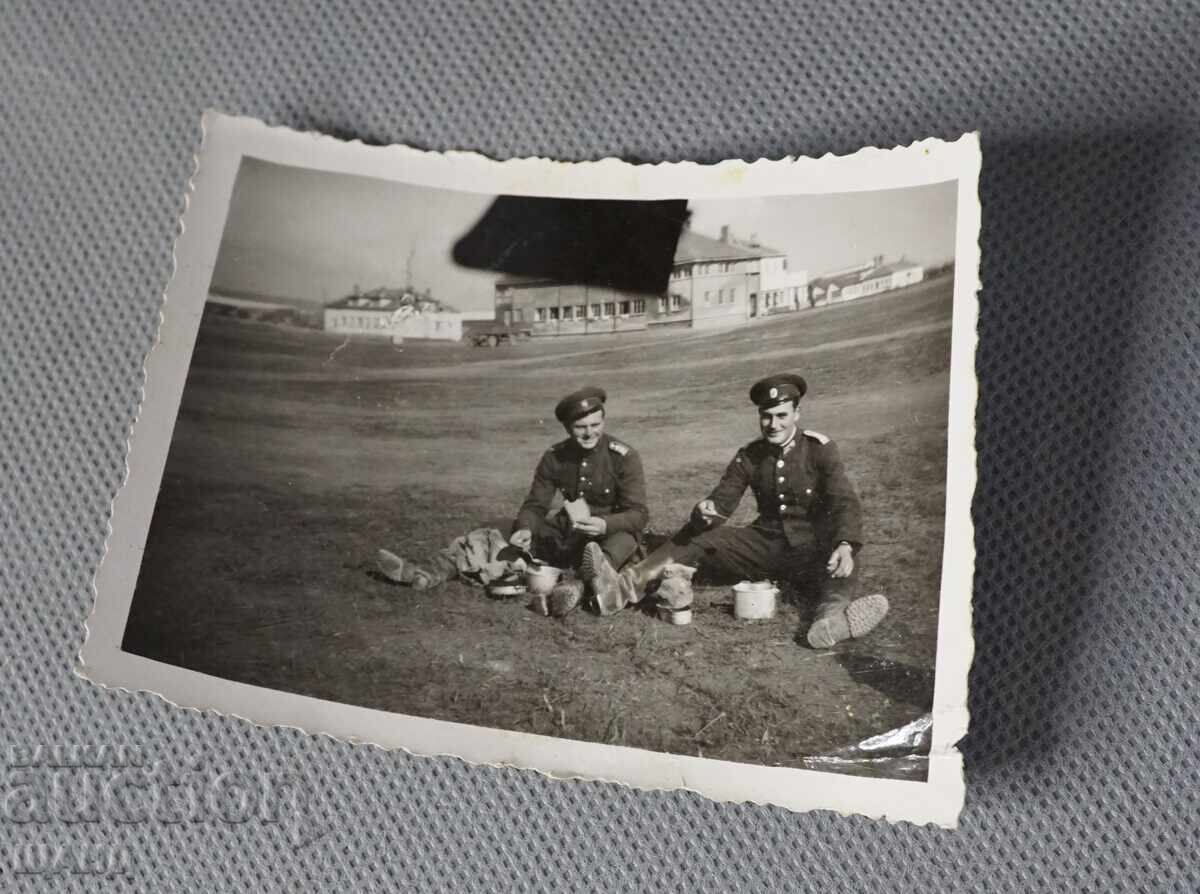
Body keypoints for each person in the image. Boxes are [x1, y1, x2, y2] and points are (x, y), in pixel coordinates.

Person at [583, 373, 888, 648]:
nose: (774, 424)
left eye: (782, 415)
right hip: (765, 546)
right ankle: (621, 589)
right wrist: (706, 510)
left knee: (845, 558)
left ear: (797, 413)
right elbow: (722, 501)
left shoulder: (819, 448)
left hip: (814, 547)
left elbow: (843, 500)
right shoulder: (750, 455)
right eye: (766, 417)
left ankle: (831, 621)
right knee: (701, 535)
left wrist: (845, 544)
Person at [510, 386, 648, 615]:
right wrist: (524, 529)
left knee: (615, 547)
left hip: (613, 531)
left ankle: (580, 585)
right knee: (512, 539)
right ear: (567, 428)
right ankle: (578, 582)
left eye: (596, 425)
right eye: (580, 427)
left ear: (604, 421)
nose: (589, 433)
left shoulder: (624, 457)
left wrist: (605, 524)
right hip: (570, 530)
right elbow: (536, 505)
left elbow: (638, 514)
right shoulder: (555, 456)